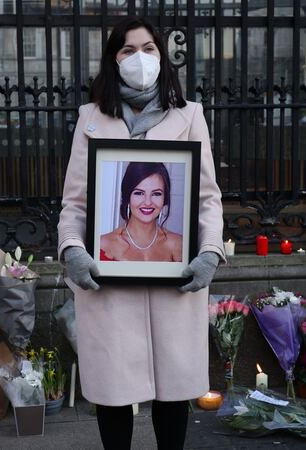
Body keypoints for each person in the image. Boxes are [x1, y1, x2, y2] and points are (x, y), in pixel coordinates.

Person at [57, 16, 225, 450]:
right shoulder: (90, 119)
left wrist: (209, 252)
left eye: (148, 48)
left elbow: (207, 196)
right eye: (128, 50)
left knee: (173, 393)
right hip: (108, 285)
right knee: (113, 395)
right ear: (114, 60)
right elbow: (75, 202)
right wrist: (73, 249)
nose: (140, 58)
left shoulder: (190, 116)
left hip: (174, 282)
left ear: (162, 56)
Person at [99, 161, 183, 262]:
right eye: (139, 193)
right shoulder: (102, 245)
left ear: (165, 199)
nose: (148, 202)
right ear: (127, 197)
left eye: (156, 194)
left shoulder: (179, 244)